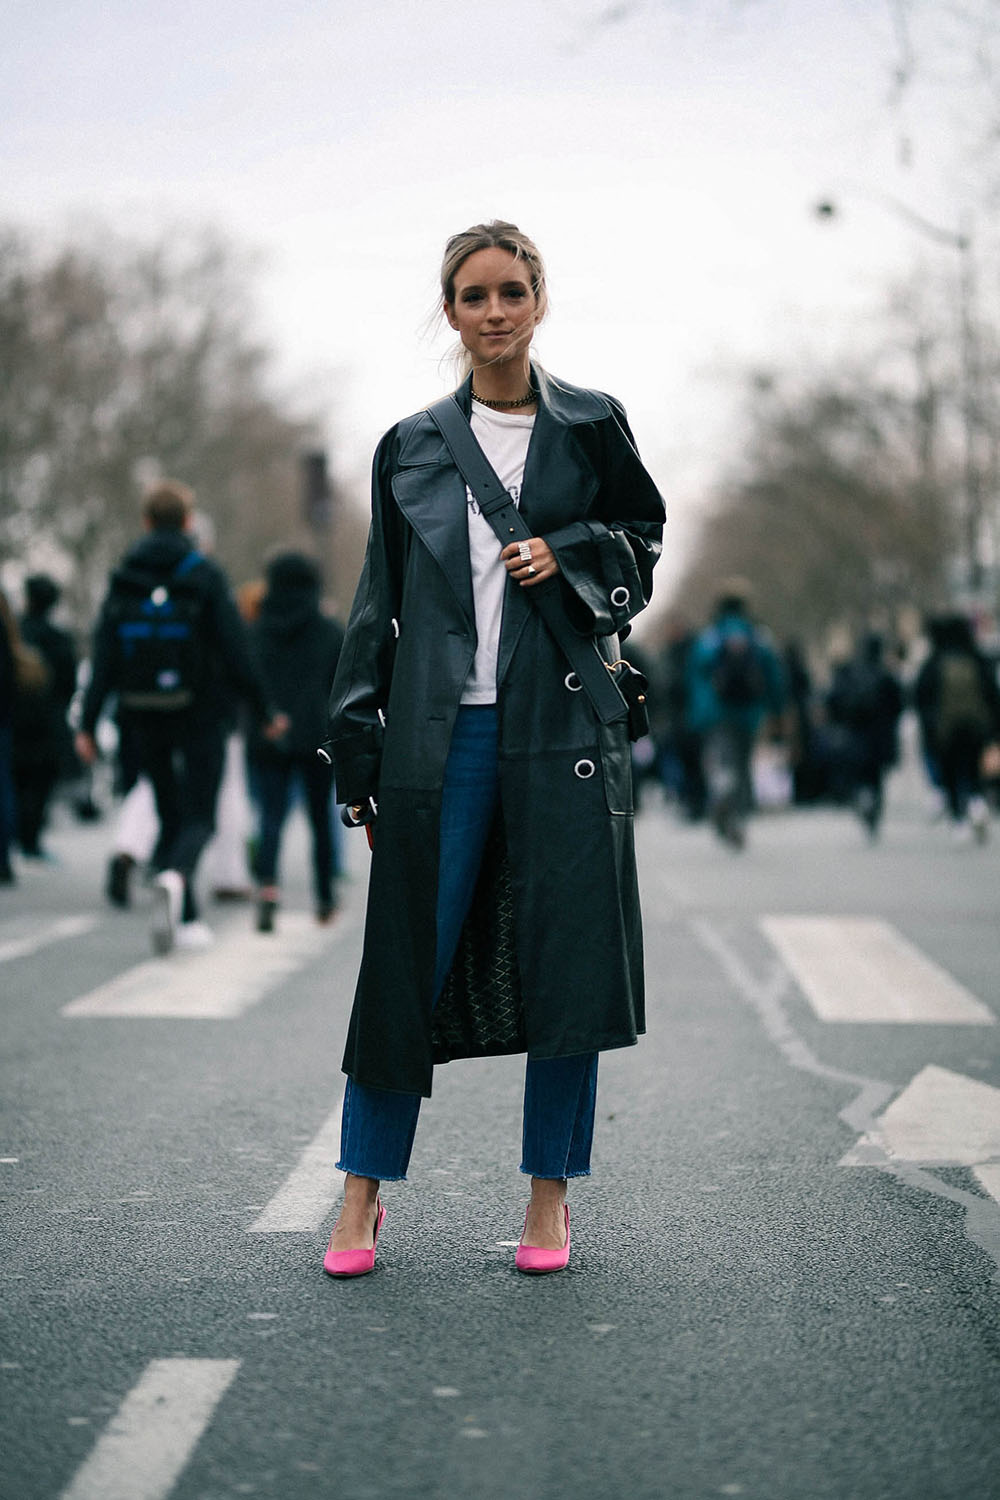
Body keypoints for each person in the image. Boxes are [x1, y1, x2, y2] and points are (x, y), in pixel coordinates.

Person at [322, 220, 665, 1277]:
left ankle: (550, 1201)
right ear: (451, 311)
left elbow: (642, 550)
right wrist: (356, 752)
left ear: (539, 300)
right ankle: (359, 1195)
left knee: (566, 964)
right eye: (473, 295)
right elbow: (377, 602)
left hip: (561, 732)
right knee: (401, 969)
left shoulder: (593, 422)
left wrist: (560, 555)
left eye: (511, 291)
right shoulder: (411, 444)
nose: (494, 311)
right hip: (441, 735)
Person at [75, 480, 287, 951]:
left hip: (141, 711)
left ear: (147, 522)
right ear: (188, 522)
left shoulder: (123, 575)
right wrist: (263, 708)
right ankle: (177, 877)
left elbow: (106, 652)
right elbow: (236, 650)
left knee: (168, 809)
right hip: (200, 710)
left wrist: (87, 723)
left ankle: (185, 912)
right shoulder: (204, 574)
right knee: (202, 815)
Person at [246, 550, 344, 931]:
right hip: (317, 736)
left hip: (269, 733)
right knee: (320, 818)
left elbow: (246, 679)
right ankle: (324, 896)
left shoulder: (256, 631)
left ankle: (268, 887)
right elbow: (342, 685)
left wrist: (264, 717)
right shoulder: (330, 631)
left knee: (270, 816)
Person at [686, 583, 785, 848]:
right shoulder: (758, 635)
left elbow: (695, 676)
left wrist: (696, 713)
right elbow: (774, 674)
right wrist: (777, 709)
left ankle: (721, 790)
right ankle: (738, 818)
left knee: (722, 758)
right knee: (742, 763)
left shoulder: (710, 637)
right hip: (749, 711)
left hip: (714, 712)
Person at [913, 613, 1000, 843]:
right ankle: (977, 802)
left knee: (950, 772)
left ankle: (959, 820)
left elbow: (921, 697)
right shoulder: (976, 658)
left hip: (945, 729)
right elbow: (992, 694)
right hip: (976, 727)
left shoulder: (935, 661)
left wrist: (929, 729)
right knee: (973, 768)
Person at [12, 574, 78, 860]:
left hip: (16, 721)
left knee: (17, 780)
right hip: (48, 722)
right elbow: (69, 682)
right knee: (40, 783)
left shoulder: (19, 634)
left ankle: (18, 836)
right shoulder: (58, 639)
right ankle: (31, 837)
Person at [825, 632, 904, 839]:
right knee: (875, 777)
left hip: (854, 733)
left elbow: (832, 700)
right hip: (879, 735)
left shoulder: (848, 672)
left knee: (858, 774)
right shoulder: (886, 674)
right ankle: (872, 807)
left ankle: (863, 799)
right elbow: (899, 704)